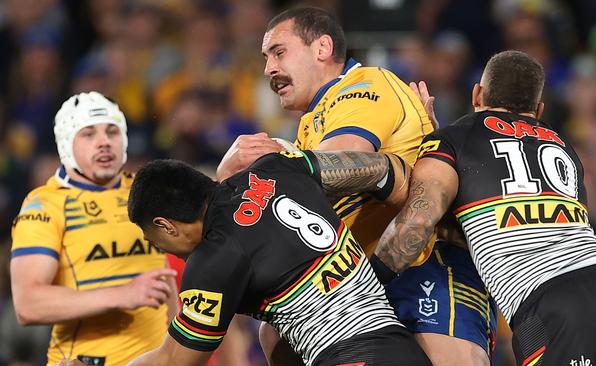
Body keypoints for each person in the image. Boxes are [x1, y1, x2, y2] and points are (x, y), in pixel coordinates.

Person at [216, 6, 495, 365]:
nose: (269, 68)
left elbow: (345, 159)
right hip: (367, 280)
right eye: (266, 57)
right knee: (274, 333)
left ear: (322, 48)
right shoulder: (312, 122)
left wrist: (263, 166)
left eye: (279, 52)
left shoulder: (362, 86)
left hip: (425, 263)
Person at [371, 50, 596, 365]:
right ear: (539, 109)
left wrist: (369, 282)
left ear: (477, 93)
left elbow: (418, 222)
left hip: (553, 306)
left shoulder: (455, 139)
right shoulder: (564, 145)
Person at [119, 150, 429, 366]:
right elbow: (384, 170)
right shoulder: (277, 167)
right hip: (406, 351)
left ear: (165, 225)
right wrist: (380, 269)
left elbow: (174, 360)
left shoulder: (213, 260)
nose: (161, 249)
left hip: (349, 358)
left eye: (153, 240)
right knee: (273, 334)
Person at [10, 91, 178, 366]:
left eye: (112, 132)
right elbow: (28, 304)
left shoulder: (146, 191)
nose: (103, 142)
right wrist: (123, 294)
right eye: (88, 134)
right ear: (66, 144)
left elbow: (164, 277)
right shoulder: (43, 205)